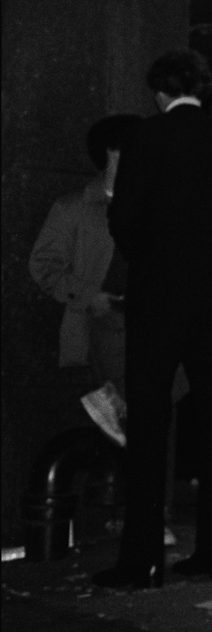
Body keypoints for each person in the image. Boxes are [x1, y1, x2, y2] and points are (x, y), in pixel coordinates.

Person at [93, 50, 212, 589]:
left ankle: (142, 558)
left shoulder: (146, 138)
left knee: (148, 422)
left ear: (159, 92)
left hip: (160, 297)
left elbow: (123, 218)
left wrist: (157, 250)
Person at [29, 113, 142, 442]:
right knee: (116, 434)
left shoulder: (150, 208)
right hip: (103, 324)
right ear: (114, 152)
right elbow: (43, 265)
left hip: (145, 322)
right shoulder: (74, 207)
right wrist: (89, 296)